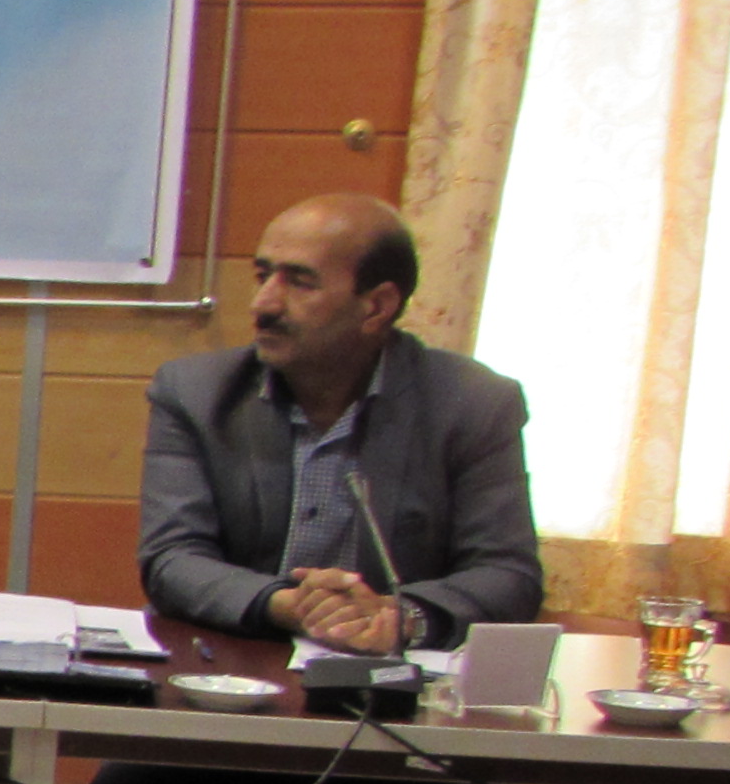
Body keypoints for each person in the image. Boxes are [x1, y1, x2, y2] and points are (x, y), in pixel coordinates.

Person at [139, 194, 540, 650]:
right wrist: (288, 605)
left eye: (300, 282)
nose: (263, 304)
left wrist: (402, 617)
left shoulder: (473, 403)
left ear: (376, 306)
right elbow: (171, 559)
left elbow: (508, 576)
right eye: (263, 276)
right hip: (234, 664)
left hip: (387, 675)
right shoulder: (196, 393)